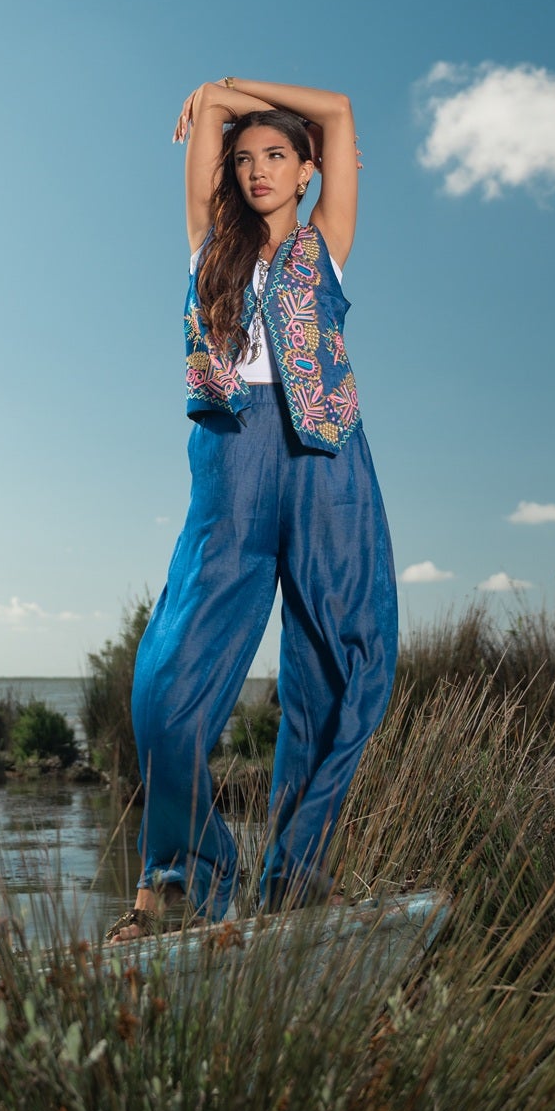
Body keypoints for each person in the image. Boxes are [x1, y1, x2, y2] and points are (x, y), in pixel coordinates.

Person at [104, 76, 398, 943]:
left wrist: (233, 88)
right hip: (233, 459)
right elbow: (210, 147)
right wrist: (208, 99)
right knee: (166, 683)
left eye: (276, 156)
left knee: (341, 665)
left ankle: (297, 880)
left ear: (308, 170)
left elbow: (342, 108)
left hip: (328, 462)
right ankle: (182, 878)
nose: (257, 170)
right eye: (243, 158)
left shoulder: (325, 248)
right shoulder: (208, 248)